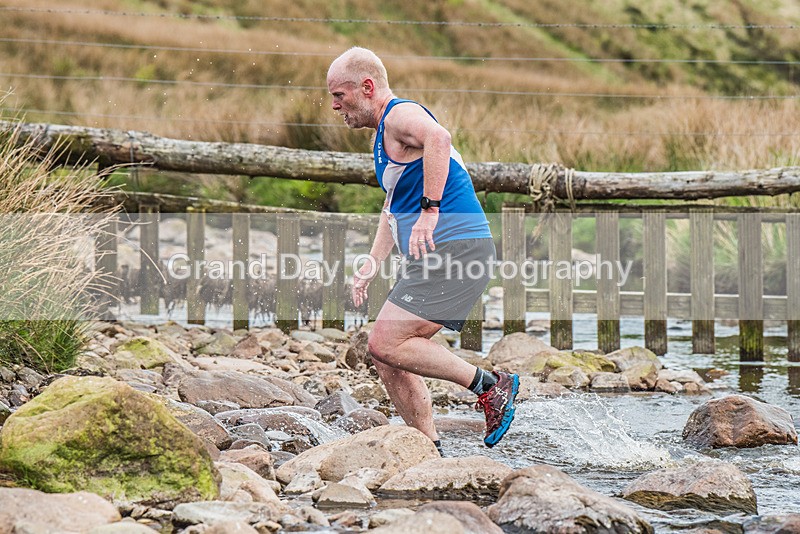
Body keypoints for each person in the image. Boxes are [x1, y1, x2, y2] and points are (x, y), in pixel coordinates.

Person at [326, 47, 519, 452]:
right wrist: (372, 263)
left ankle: (491, 385)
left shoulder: (399, 115)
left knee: (386, 343)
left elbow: (439, 137)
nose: (334, 106)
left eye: (339, 96)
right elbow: (391, 206)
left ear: (367, 87)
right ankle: (427, 445)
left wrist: (430, 210)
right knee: (385, 353)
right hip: (445, 252)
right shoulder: (384, 136)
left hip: (457, 247)